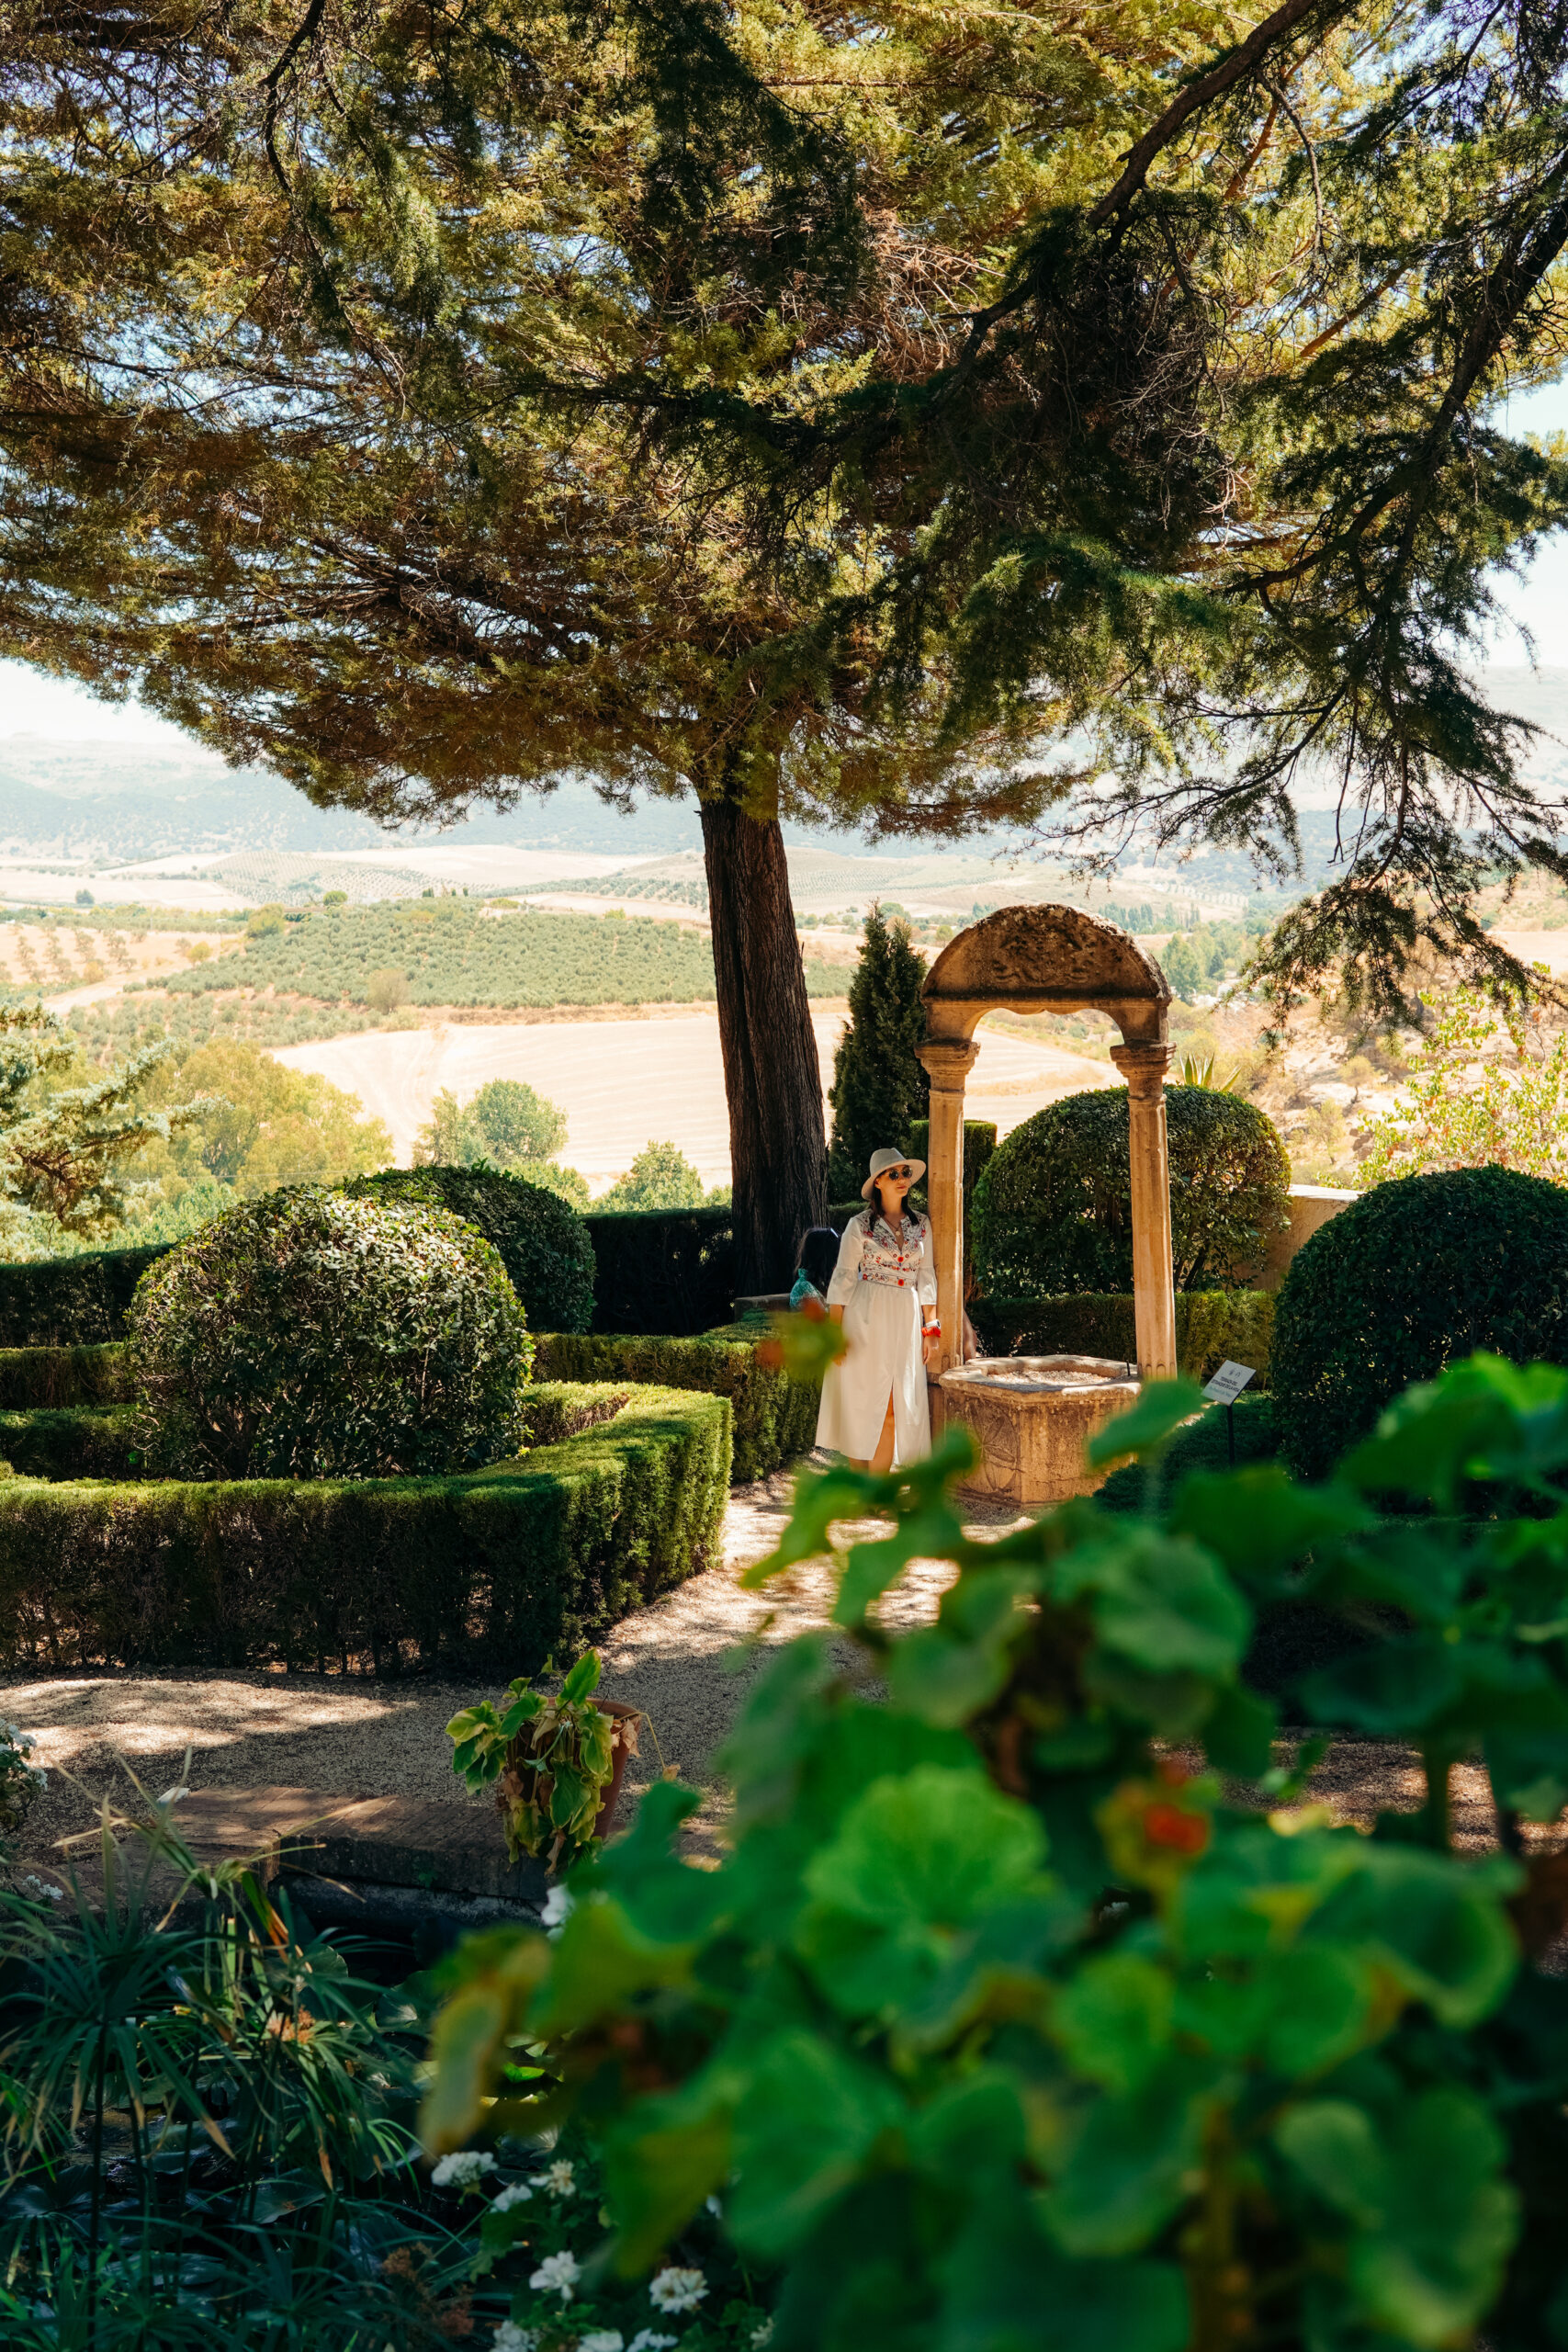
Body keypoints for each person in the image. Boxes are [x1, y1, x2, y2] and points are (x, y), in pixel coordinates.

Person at [815, 1148, 938, 1473]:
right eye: (893, 1174)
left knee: (894, 1408)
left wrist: (931, 1328)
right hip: (864, 1318)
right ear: (878, 1182)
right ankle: (862, 1484)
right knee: (863, 1402)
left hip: (906, 1319)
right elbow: (842, 1278)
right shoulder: (858, 1225)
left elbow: (927, 1277)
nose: (902, 1180)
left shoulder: (922, 1224)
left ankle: (879, 1489)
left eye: (905, 1173)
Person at [790, 1226, 841, 1311]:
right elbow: (825, 1322)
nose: (839, 1263)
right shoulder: (804, 1287)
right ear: (825, 1260)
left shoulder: (823, 1284)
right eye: (836, 1257)